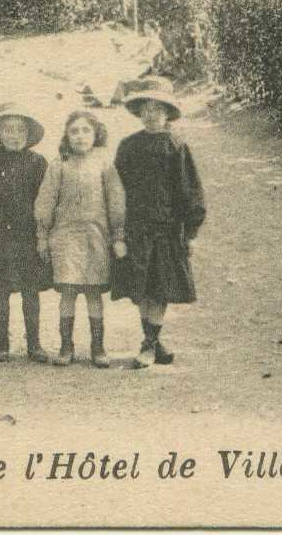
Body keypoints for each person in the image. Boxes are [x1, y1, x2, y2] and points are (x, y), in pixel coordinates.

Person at [112, 78, 206, 368]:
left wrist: (190, 231)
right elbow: (118, 188)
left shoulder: (176, 145)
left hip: (166, 229)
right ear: (139, 112)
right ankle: (152, 340)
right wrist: (119, 230)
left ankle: (149, 345)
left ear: (168, 113)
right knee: (141, 286)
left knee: (161, 286)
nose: (151, 115)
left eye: (158, 109)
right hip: (137, 227)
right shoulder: (128, 146)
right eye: (146, 109)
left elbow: (189, 190)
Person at [35, 110, 125, 369]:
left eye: (86, 130)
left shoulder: (105, 163)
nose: (80, 136)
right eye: (74, 131)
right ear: (66, 135)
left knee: (94, 292)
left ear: (96, 133)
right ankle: (66, 346)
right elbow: (45, 203)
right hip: (65, 238)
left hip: (96, 237)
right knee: (69, 291)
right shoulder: (59, 164)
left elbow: (116, 201)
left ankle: (98, 346)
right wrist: (42, 236)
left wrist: (118, 235)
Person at [0, 102, 52, 364]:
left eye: (19, 130)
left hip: (27, 237)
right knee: (1, 291)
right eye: (8, 130)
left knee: (31, 291)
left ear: (27, 135)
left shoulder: (38, 163)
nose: (14, 136)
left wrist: (43, 237)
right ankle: (1, 343)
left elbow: (46, 203)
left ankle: (34, 343)